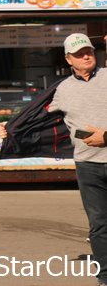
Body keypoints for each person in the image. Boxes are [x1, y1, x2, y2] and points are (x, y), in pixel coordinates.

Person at [47, 33, 107, 286]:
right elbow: (40, 118)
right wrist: (12, 130)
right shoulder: (62, 90)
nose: (86, 56)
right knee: (99, 224)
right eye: (79, 53)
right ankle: (105, 274)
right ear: (68, 58)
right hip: (88, 166)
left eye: (89, 51)